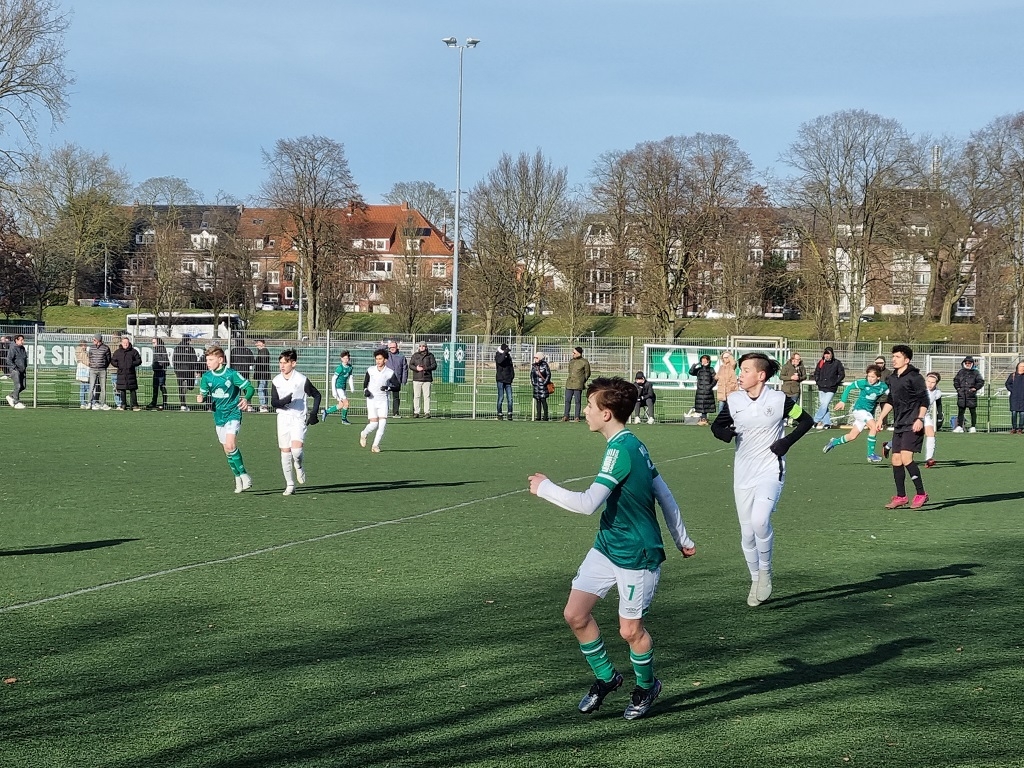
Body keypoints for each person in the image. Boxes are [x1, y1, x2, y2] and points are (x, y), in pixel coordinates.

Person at [528, 376, 695, 721]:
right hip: (607, 546)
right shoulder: (631, 444)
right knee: (575, 614)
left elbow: (589, 503)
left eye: (590, 406)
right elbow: (664, 493)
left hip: (637, 554)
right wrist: (683, 538)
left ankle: (647, 686)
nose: (585, 411)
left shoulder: (622, 450)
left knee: (630, 631)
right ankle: (607, 678)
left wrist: (544, 488)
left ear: (606, 414)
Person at [711, 353, 814, 607]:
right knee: (747, 533)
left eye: (745, 370)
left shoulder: (779, 400)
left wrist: (786, 442)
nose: (740, 375)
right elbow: (717, 427)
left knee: (760, 521)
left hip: (770, 470)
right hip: (742, 473)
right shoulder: (734, 401)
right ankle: (755, 579)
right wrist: (726, 434)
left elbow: (806, 421)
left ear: (761, 375)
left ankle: (766, 571)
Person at [875, 345, 930, 510]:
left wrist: (920, 418)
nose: (894, 359)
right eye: (893, 356)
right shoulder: (892, 378)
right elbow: (891, 400)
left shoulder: (915, 377)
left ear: (907, 360)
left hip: (913, 423)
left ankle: (921, 494)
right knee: (896, 460)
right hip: (899, 423)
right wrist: (880, 418)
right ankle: (901, 496)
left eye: (897, 357)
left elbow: (924, 400)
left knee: (906, 458)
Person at [197, 344, 255, 493]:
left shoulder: (231, 374)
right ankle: (237, 478)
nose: (208, 363)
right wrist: (201, 397)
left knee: (230, 444)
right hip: (219, 416)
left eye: (211, 360)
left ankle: (245, 475)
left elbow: (249, 388)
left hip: (233, 413)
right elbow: (203, 394)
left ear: (220, 360)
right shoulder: (206, 377)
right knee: (227, 451)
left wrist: (246, 398)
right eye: (207, 360)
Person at [271, 348, 322, 496]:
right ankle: (290, 485)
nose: (282, 366)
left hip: (298, 418)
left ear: (293, 363)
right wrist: (283, 402)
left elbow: (317, 395)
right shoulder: (276, 380)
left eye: (285, 363)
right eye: (280, 363)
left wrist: (313, 414)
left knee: (296, 451)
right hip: (283, 418)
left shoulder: (301, 380)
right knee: (285, 452)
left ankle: (299, 466)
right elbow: (274, 402)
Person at [824, 365, 889, 462]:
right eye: (868, 376)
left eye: (873, 377)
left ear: (878, 377)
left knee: (852, 436)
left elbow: (892, 396)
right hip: (859, 410)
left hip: (867, 413)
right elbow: (849, 387)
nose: (870, 379)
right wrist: (843, 401)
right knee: (874, 427)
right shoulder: (863, 383)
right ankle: (870, 454)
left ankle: (834, 442)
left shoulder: (883, 386)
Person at [359, 348, 400, 452]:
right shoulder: (370, 370)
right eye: (376, 359)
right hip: (372, 399)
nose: (378, 361)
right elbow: (365, 382)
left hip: (383, 400)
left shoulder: (389, 372)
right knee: (374, 424)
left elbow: (397, 386)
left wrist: (388, 388)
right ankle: (364, 433)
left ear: (385, 360)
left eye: (380, 359)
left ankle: (375, 445)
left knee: (382, 424)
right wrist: (365, 390)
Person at [812, 347, 845, 429]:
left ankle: (815, 420)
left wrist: (835, 382)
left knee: (825, 404)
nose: (826, 355)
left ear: (832, 354)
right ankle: (827, 423)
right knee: (824, 405)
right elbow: (816, 373)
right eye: (825, 354)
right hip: (821, 387)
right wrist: (818, 380)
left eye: (828, 354)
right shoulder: (821, 362)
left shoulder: (837, 363)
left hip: (831, 388)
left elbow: (842, 374)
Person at [952, 356, 984, 433]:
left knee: (972, 412)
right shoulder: (961, 372)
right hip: (962, 395)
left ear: (972, 364)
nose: (967, 364)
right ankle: (959, 426)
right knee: (960, 412)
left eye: (969, 363)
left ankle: (973, 426)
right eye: (966, 363)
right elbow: (956, 380)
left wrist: (975, 388)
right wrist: (958, 388)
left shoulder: (976, 373)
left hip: (971, 396)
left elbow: (980, 382)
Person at [110, 336, 143, 411]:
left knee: (133, 390)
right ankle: (123, 405)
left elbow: (139, 360)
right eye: (124, 343)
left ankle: (135, 405)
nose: (125, 344)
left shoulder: (134, 351)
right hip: (121, 373)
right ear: (121, 343)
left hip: (131, 373)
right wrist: (119, 365)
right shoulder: (117, 352)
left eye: (127, 343)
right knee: (122, 390)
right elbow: (113, 361)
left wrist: (132, 364)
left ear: (129, 343)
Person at [323, 350, 354, 424]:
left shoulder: (350, 367)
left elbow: (350, 377)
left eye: (347, 358)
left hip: (343, 388)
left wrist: (352, 387)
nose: (346, 360)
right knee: (346, 403)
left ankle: (326, 411)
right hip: (339, 388)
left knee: (341, 405)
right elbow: (333, 379)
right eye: (344, 358)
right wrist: (334, 391)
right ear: (341, 359)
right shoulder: (340, 368)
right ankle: (344, 419)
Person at [562, 346, 592, 422]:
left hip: (578, 385)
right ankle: (566, 416)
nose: (573, 354)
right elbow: (570, 371)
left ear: (579, 353)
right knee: (567, 400)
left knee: (577, 401)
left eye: (574, 353)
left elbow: (587, 373)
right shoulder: (571, 361)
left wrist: (582, 380)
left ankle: (577, 417)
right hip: (569, 384)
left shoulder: (584, 362)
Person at [409, 341, 437, 418]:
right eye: (420, 346)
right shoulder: (415, 355)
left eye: (423, 346)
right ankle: (416, 412)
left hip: (427, 379)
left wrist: (426, 368)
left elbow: (434, 365)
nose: (421, 347)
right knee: (416, 396)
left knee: (427, 396)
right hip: (417, 378)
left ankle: (427, 412)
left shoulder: (430, 356)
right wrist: (416, 368)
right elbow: (410, 365)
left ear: (426, 347)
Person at [173, 335, 199, 412]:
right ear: (188, 340)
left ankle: (183, 404)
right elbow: (194, 359)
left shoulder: (178, 348)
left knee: (183, 388)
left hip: (183, 371)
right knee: (185, 387)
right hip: (185, 371)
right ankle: (183, 404)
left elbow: (174, 359)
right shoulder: (186, 348)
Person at [689, 354, 717, 425]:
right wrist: (694, 365)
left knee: (706, 405)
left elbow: (715, 379)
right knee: (700, 404)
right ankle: (703, 418)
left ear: (708, 361)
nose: (703, 361)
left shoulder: (711, 369)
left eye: (705, 360)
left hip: (708, 391)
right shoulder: (699, 370)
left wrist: (710, 386)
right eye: (702, 360)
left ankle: (704, 418)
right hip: (700, 390)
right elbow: (691, 372)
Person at [923, 372, 944, 468]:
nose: (930, 384)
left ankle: (929, 459)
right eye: (928, 381)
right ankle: (888, 445)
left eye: (933, 382)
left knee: (931, 433)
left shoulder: (937, 393)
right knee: (906, 437)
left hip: (925, 415)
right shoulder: (919, 389)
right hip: (912, 415)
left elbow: (939, 404)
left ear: (936, 383)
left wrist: (940, 415)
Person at [87, 333, 112, 410]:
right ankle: (89, 403)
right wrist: (92, 364)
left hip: (102, 370)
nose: (93, 341)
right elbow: (89, 356)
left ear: (98, 340)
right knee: (91, 386)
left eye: (94, 339)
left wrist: (104, 365)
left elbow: (108, 359)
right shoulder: (91, 348)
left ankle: (103, 403)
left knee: (103, 387)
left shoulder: (106, 348)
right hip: (93, 369)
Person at [5, 334, 28, 409]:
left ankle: (10, 396)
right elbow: (9, 360)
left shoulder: (22, 348)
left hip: (22, 370)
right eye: (21, 340)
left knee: (23, 386)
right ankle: (16, 402)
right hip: (15, 370)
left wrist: (25, 366)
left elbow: (24, 358)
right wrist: (14, 368)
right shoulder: (13, 348)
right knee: (17, 386)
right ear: (16, 340)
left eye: (23, 340)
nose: (23, 341)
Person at [147, 338, 171, 410]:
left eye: (154, 342)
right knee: (155, 387)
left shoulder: (162, 349)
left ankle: (164, 403)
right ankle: (154, 402)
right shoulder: (156, 349)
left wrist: (158, 365)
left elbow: (165, 360)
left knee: (162, 387)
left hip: (161, 371)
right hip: (156, 371)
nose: (153, 344)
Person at [387, 340, 408, 417]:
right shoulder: (386, 355)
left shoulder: (401, 357)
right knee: (384, 397)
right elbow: (378, 350)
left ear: (397, 347)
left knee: (396, 397)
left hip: (397, 380)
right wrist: (385, 345)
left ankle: (395, 413)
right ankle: (384, 412)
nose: (392, 348)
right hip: (386, 380)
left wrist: (404, 380)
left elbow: (405, 369)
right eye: (390, 347)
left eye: (394, 347)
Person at [495, 342, 515, 420]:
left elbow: (511, 367)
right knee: (501, 397)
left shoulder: (508, 357)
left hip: (508, 380)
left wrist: (512, 376)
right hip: (500, 380)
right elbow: (500, 361)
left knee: (510, 398)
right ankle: (499, 413)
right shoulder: (498, 355)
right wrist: (504, 354)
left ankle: (510, 413)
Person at [530, 352, 552, 421]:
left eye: (537, 358)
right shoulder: (534, 366)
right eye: (535, 358)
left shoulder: (545, 365)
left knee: (543, 401)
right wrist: (533, 383)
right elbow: (532, 375)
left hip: (543, 387)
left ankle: (545, 416)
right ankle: (538, 416)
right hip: (536, 386)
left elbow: (548, 375)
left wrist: (544, 383)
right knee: (538, 401)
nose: (535, 359)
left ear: (540, 358)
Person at [253, 339, 272, 413]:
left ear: (262, 343)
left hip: (262, 374)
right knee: (263, 389)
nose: (256, 344)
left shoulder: (264, 351)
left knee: (261, 389)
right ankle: (265, 405)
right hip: (262, 374)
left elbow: (262, 364)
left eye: (258, 342)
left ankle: (263, 405)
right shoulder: (262, 351)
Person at [873, 356, 891, 430]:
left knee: (884, 411)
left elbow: (889, 383)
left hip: (884, 396)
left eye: (881, 363)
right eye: (877, 363)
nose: (879, 364)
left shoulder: (888, 372)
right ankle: (870, 423)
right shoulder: (872, 372)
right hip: (873, 395)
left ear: (884, 363)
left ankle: (884, 424)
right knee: (871, 410)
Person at [1005, 361, 1024, 434]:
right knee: (1014, 413)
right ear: (1018, 367)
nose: (1023, 368)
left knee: (1022, 414)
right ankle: (1014, 428)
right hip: (1014, 398)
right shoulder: (1012, 375)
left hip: (1023, 398)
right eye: (1021, 366)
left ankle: (1020, 428)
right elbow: (1007, 384)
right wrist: (1012, 390)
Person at [75, 340, 91, 408]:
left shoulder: (82, 352)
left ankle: (84, 402)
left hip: (83, 370)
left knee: (84, 387)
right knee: (85, 387)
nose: (85, 347)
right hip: (84, 370)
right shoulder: (81, 352)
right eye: (84, 345)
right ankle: (85, 402)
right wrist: (89, 363)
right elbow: (85, 361)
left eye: (85, 345)